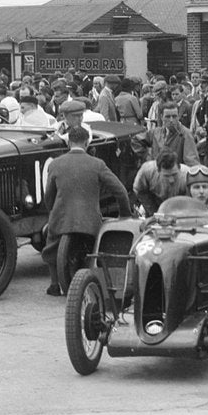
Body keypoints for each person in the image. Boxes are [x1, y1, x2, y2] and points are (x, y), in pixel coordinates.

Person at [42, 126, 131, 296]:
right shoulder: (97, 164)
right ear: (87, 143)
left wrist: (52, 212)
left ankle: (54, 284)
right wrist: (125, 214)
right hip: (90, 221)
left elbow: (48, 196)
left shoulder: (55, 164)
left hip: (61, 219)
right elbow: (120, 191)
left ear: (68, 142)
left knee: (51, 244)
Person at [133, 150, 188, 216]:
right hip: (154, 203)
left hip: (180, 205)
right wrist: (153, 212)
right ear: (158, 170)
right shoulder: (147, 171)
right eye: (166, 176)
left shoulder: (187, 175)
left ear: (179, 168)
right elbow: (139, 191)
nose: (171, 180)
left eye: (174, 174)